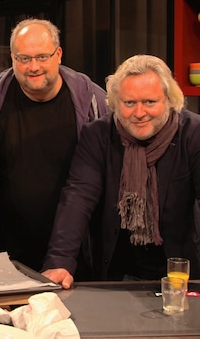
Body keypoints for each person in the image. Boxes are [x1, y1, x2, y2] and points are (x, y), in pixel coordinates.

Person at [42, 55, 200, 289]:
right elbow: (78, 196)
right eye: (129, 103)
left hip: (180, 273)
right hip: (118, 272)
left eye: (149, 102)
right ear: (116, 103)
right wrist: (60, 260)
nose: (139, 113)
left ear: (168, 100)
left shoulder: (194, 134)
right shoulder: (97, 134)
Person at [0, 18, 108, 272]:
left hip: (74, 255)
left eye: (42, 57)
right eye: (24, 58)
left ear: (58, 54)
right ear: (12, 58)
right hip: (4, 253)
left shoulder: (93, 100)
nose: (33, 66)